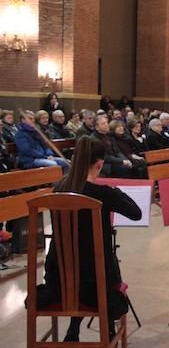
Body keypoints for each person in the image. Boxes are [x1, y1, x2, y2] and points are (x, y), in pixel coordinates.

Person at [38, 136, 141, 341]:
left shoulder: (58, 189)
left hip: (57, 282)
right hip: (94, 289)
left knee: (81, 263)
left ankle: (73, 330)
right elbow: (135, 213)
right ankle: (107, 332)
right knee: (98, 266)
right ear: (100, 163)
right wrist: (117, 192)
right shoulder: (102, 193)